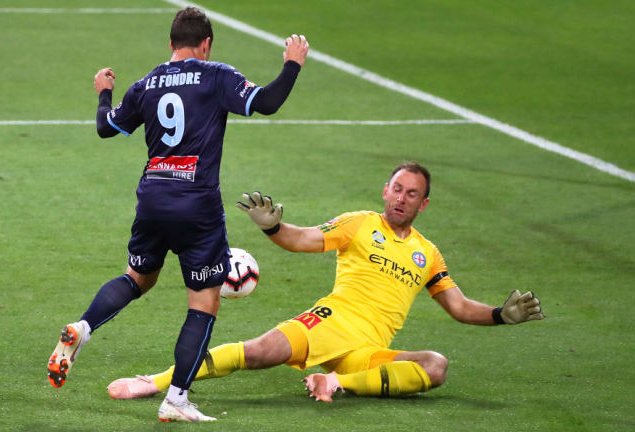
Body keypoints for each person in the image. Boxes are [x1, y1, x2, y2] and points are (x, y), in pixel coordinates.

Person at [46, 6, 310, 422]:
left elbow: (106, 127)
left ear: (171, 43)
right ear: (205, 44)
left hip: (152, 199)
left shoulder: (147, 83)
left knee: (138, 278)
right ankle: (177, 399)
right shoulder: (217, 74)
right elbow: (269, 101)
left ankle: (83, 327)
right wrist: (292, 66)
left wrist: (103, 92)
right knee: (203, 303)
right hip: (197, 206)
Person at [107, 162, 545, 406]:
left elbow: (459, 306)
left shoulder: (428, 254)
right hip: (332, 321)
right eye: (396, 188)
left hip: (368, 351)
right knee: (260, 352)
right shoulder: (359, 224)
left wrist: (500, 317)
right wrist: (272, 227)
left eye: (411, 194)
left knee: (436, 365)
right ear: (385, 189)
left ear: (423, 203)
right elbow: (303, 239)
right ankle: (160, 379)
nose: (400, 197)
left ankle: (336, 383)